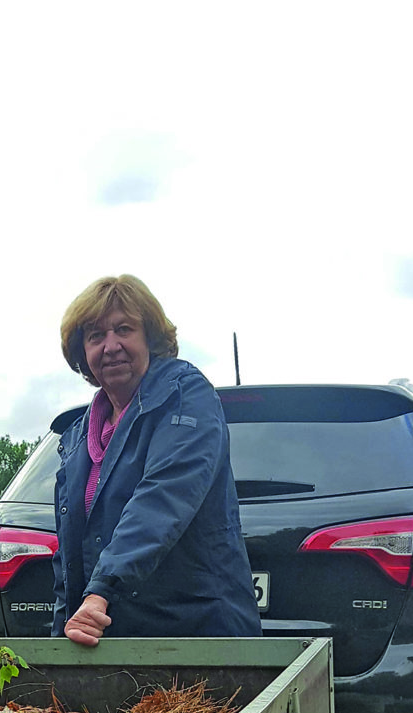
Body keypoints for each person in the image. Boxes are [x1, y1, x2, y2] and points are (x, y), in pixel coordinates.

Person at [52, 274, 261, 646]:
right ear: (82, 351)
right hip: (114, 648)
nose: (111, 346)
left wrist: (101, 590)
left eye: (124, 329)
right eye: (96, 336)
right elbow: (68, 563)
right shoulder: (77, 436)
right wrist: (61, 644)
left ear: (149, 337)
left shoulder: (186, 398)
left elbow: (162, 498)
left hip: (197, 641)